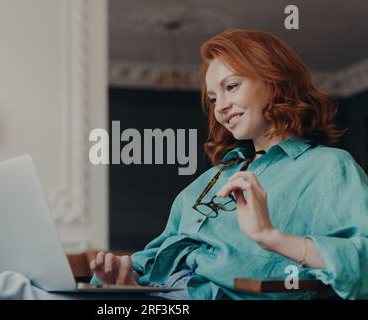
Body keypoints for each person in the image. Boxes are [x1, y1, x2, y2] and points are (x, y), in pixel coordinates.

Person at [89, 29, 368, 300]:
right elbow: (155, 256)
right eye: (212, 98)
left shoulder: (328, 168)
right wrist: (127, 280)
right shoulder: (210, 179)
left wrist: (269, 236)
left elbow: (362, 265)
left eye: (231, 87)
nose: (220, 106)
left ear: (276, 82)